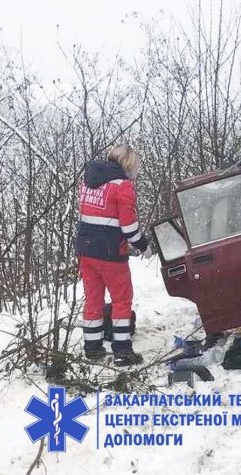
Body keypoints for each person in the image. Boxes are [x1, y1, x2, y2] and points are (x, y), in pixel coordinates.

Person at [75, 145, 149, 366]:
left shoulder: (87, 182)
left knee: (93, 300)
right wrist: (144, 245)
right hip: (110, 253)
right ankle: (122, 351)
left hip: (86, 251)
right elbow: (129, 228)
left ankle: (93, 348)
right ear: (128, 165)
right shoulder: (122, 186)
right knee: (121, 300)